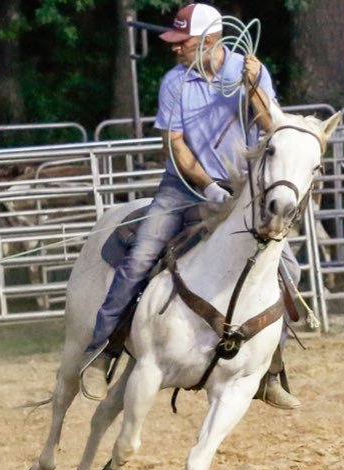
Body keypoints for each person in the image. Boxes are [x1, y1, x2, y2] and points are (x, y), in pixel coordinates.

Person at [79, 3, 302, 409]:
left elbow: (274, 129)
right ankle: (101, 352)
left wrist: (254, 90)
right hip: (182, 188)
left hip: (241, 191)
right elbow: (175, 145)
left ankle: (270, 370)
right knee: (140, 257)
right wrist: (209, 187)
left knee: (287, 269)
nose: (174, 49)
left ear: (210, 42)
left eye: (182, 42)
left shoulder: (250, 71)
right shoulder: (174, 82)